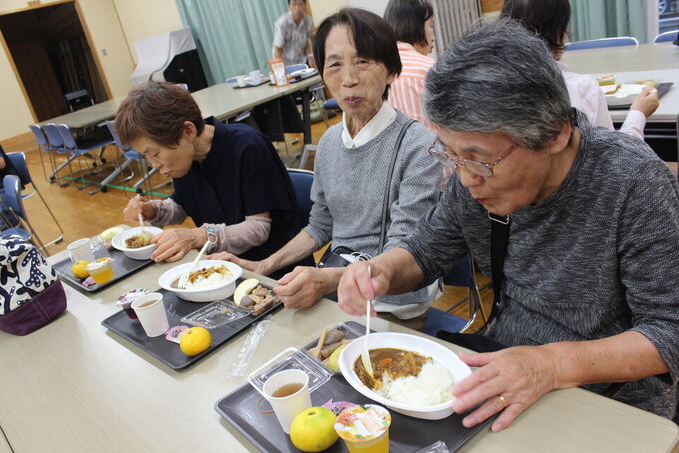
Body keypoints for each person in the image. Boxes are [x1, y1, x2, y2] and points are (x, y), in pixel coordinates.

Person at [337, 19, 679, 431]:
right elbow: (426, 250)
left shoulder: (633, 183)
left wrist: (551, 365)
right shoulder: (473, 177)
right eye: (449, 153)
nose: (464, 178)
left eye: (478, 157)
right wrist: (381, 271)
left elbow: (668, 333)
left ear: (554, 133)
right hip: (501, 363)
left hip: (609, 401)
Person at [214, 8, 442, 327]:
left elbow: (403, 252)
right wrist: (263, 265)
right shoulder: (331, 142)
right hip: (337, 288)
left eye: (363, 62)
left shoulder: (418, 144)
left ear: (391, 71)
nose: (348, 79)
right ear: (322, 74)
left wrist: (328, 281)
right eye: (334, 64)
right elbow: (321, 224)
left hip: (392, 303)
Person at [116, 82, 304, 275]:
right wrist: (152, 210)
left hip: (276, 274)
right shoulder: (186, 159)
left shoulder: (246, 147)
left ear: (187, 132)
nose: (154, 164)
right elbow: (182, 205)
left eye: (155, 153)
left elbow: (258, 229)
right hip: (222, 271)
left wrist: (199, 236)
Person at [501, 0, 658, 141]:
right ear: (559, 32)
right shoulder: (581, 88)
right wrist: (638, 113)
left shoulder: (494, 90)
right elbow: (617, 161)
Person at [384, 0, 436, 129]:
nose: (433, 37)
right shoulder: (430, 69)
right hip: (433, 147)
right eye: (430, 25)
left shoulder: (379, 69)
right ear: (413, 26)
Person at [272, 0, 314, 66]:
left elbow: (307, 42)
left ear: (305, 5)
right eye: (294, 4)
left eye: (300, 4)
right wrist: (280, 69)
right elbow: (277, 49)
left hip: (302, 62)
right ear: (289, 6)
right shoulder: (282, 23)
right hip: (286, 63)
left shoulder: (309, 21)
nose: (297, 8)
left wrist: (310, 57)